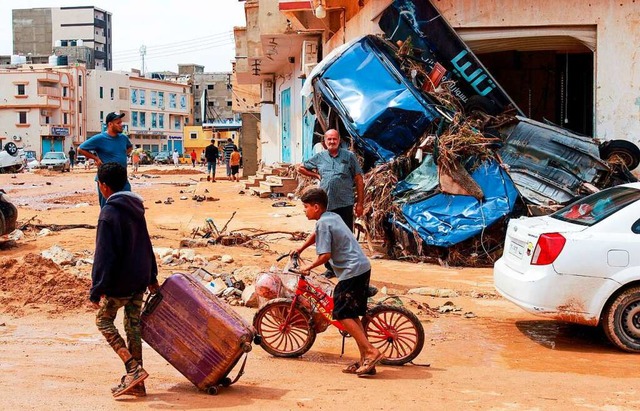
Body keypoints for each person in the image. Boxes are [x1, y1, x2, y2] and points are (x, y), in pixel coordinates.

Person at [291, 187, 382, 376]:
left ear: (316, 207)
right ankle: (364, 358)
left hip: (352, 271)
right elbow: (316, 235)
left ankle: (371, 351)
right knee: (351, 315)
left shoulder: (324, 224)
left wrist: (307, 268)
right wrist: (301, 248)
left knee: (340, 313)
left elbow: (325, 255)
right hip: (361, 267)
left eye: (306, 207)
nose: (304, 210)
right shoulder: (331, 217)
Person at [89, 162, 159, 397]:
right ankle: (137, 383)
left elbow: (104, 256)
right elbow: (146, 243)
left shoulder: (108, 214)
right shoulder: (135, 207)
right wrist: (152, 277)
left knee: (103, 321)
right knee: (133, 327)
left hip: (120, 283)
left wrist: (97, 288)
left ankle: (132, 368)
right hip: (139, 279)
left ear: (104, 186)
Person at [297, 129, 364, 278]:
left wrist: (360, 203)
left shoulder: (349, 157)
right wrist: (316, 174)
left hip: (345, 203)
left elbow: (359, 179)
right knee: (325, 237)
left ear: (339, 140)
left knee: (345, 237)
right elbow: (300, 167)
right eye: (329, 139)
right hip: (325, 206)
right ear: (325, 142)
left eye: (335, 139)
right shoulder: (319, 157)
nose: (332, 142)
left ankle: (348, 267)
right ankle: (330, 268)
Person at [78, 112, 133, 208]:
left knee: (127, 205)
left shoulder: (123, 138)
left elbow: (130, 147)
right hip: (106, 180)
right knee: (108, 207)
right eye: (118, 123)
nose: (121, 125)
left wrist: (123, 154)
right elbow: (80, 149)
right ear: (110, 124)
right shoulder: (100, 138)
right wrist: (96, 159)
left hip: (122, 178)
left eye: (121, 122)